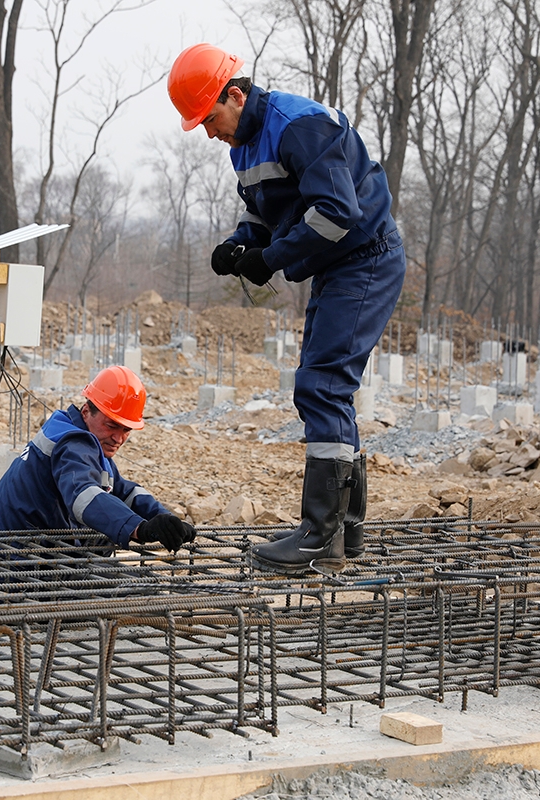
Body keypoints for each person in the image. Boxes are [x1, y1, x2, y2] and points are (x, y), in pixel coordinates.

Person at [167, 43, 406, 576]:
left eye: (210, 118)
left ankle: (321, 536)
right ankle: (343, 533)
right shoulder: (243, 146)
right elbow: (264, 215)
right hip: (336, 267)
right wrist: (240, 245)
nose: (209, 132)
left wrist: (269, 258)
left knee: (321, 386)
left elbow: (337, 213)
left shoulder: (298, 125)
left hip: (366, 258)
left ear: (235, 94)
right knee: (326, 387)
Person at [0, 365, 195, 596]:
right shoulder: (73, 444)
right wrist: (139, 529)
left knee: (120, 552)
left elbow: (121, 491)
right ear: (87, 411)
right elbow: (83, 496)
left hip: (17, 554)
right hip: (12, 569)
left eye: (126, 429)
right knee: (143, 592)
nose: (118, 438)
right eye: (111, 425)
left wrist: (162, 517)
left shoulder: (83, 439)